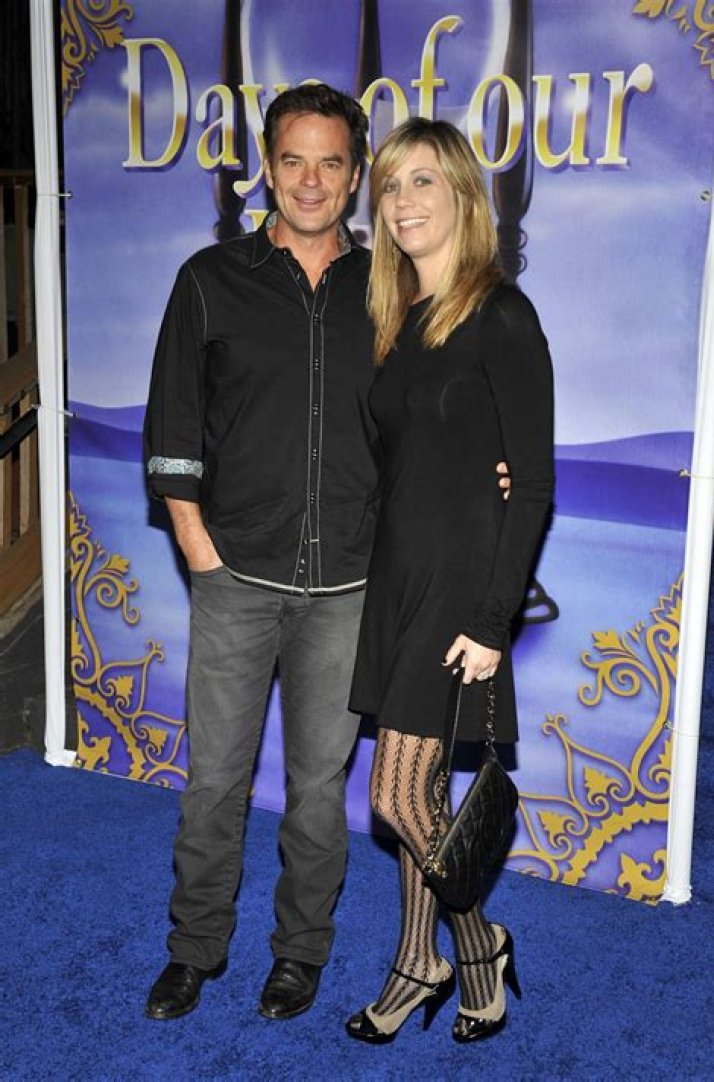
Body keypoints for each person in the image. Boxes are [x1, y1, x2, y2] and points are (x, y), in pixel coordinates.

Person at [143, 84, 510, 1024]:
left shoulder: (392, 289)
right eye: (293, 160)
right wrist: (199, 550)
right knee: (215, 782)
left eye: (332, 163)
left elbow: (440, 413)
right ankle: (194, 950)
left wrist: (495, 467)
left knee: (318, 790)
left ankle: (299, 955)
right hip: (234, 575)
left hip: (351, 587)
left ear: (354, 179)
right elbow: (173, 432)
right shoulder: (208, 279)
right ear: (267, 169)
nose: (311, 181)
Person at [346, 118, 554, 1045]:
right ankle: (445, 958)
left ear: (465, 194)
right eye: (390, 186)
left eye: (423, 180)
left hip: (459, 587)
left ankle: (461, 949)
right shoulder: (397, 321)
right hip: (398, 578)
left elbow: (532, 481)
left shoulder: (500, 314)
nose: (403, 202)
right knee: (419, 793)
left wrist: (493, 617)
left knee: (395, 797)